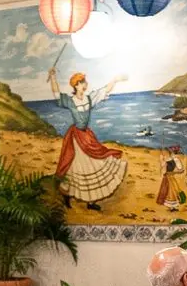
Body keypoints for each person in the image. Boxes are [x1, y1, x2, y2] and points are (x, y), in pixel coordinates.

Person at [48, 67, 127, 211]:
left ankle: (90, 203)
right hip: (75, 138)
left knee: (94, 163)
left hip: (86, 136)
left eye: (85, 81)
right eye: (82, 82)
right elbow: (56, 94)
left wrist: (115, 79)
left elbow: (105, 91)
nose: (85, 84)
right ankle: (66, 195)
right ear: (76, 85)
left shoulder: (89, 98)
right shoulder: (70, 101)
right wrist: (53, 77)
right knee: (75, 167)